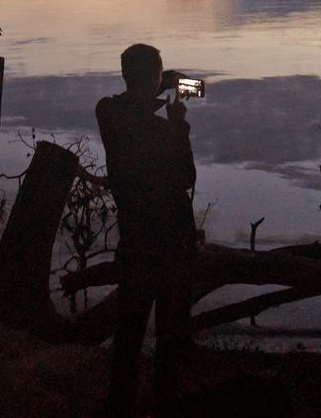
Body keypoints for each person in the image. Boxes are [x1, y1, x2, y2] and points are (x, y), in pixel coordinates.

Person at [96, 43, 197, 417]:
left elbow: (128, 105)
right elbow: (185, 178)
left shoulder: (107, 114)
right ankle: (163, 403)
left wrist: (156, 85)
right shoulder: (163, 131)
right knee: (170, 333)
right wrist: (179, 127)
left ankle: (120, 402)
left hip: (134, 237)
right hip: (171, 242)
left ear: (125, 75)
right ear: (154, 77)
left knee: (129, 331)